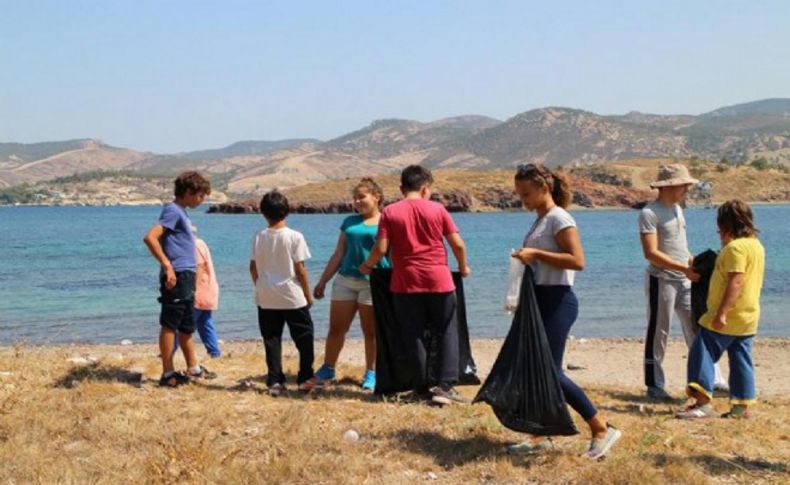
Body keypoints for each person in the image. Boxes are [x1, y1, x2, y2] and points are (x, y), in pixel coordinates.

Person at [508, 163, 621, 460]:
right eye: (520, 195)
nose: (524, 200)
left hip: (558, 300)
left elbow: (577, 260)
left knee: (550, 371)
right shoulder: (540, 219)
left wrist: (535, 254)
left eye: (527, 194)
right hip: (541, 299)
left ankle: (600, 427)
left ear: (544, 188)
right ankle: (541, 431)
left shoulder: (560, 218)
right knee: (535, 369)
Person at [360, 165, 470, 405]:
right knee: (446, 330)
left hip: (405, 283)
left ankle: (420, 388)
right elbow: (458, 245)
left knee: (414, 335)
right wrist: (463, 267)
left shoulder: (390, 212)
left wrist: (367, 266)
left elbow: (381, 249)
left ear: (402, 188)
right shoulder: (437, 210)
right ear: (425, 188)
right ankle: (445, 385)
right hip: (438, 280)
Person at [638, 164, 727, 401]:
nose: (687, 188)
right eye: (684, 185)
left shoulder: (678, 209)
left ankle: (712, 380)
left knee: (698, 328)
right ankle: (654, 385)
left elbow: (680, 246)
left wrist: (695, 263)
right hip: (661, 280)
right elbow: (651, 253)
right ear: (669, 186)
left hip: (684, 279)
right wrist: (684, 269)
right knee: (658, 332)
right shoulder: (649, 213)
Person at [676, 199, 765, 420]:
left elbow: (736, 281)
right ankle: (740, 407)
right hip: (748, 316)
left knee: (701, 351)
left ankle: (703, 403)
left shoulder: (735, 248)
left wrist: (722, 312)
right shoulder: (756, 245)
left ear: (725, 224)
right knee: (740, 359)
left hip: (728, 316)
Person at [313, 178, 391, 390]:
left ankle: (372, 372)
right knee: (336, 328)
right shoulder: (349, 221)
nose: (357, 201)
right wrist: (322, 281)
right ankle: (328, 368)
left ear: (376, 197)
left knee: (371, 332)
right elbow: (338, 253)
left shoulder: (387, 221)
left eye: (361, 197)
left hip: (373, 282)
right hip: (345, 280)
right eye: (355, 198)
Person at [143, 171, 217, 387]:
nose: (202, 200)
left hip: (186, 275)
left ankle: (192, 368)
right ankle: (167, 373)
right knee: (170, 324)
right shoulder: (173, 211)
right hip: (177, 275)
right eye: (200, 195)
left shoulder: (181, 212)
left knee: (186, 325)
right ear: (188, 192)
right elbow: (150, 238)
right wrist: (168, 266)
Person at [250, 190, 316, 396]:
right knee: (304, 337)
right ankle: (305, 377)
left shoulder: (259, 236)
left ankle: (275, 380)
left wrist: (260, 284)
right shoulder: (295, 237)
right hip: (291, 295)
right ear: (287, 211)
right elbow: (301, 270)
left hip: (266, 295)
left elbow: (253, 267)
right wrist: (308, 294)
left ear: (263, 213)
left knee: (271, 339)